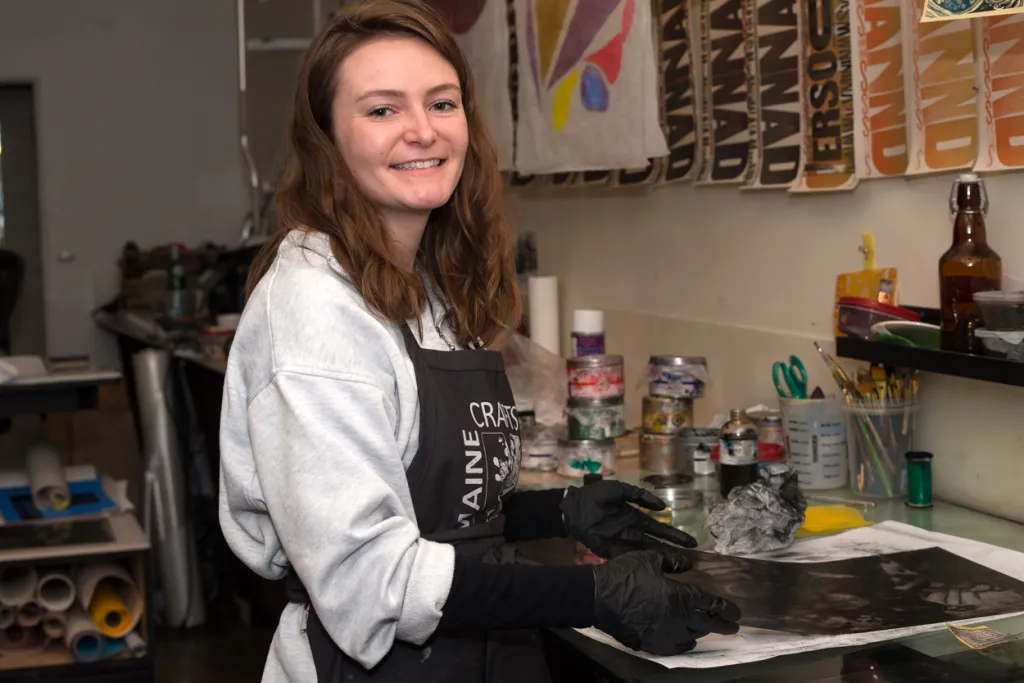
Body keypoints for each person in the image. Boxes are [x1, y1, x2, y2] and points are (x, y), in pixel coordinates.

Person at [217, 1, 741, 681]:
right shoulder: (314, 308)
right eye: (381, 110)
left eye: (442, 102)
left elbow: (425, 507)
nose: (421, 131)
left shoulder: (421, 287)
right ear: (326, 139)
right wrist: (591, 595)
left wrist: (556, 511)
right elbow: (369, 575)